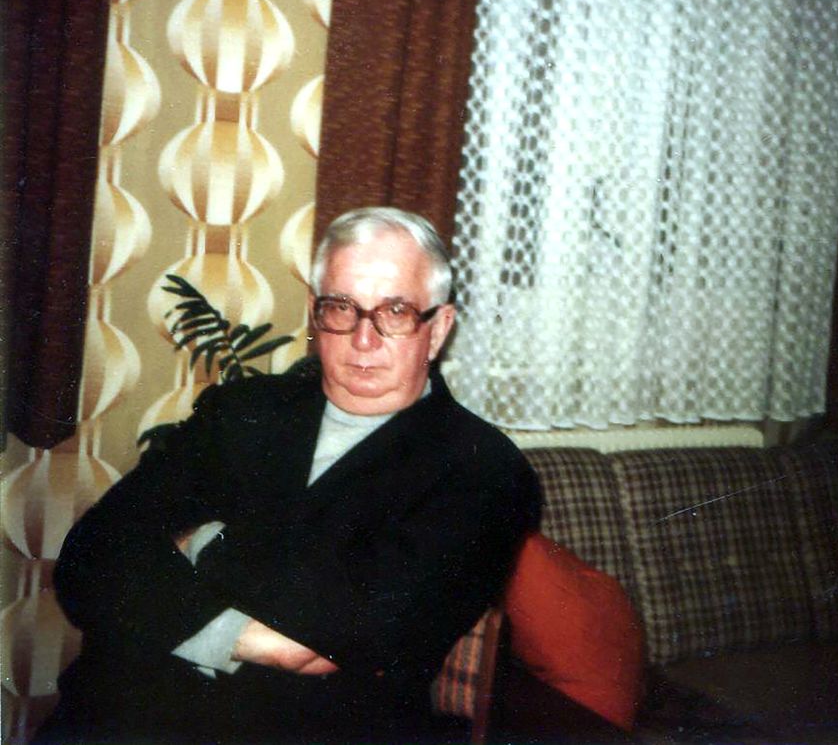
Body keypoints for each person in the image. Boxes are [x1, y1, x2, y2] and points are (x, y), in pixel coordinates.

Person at [35, 207, 541, 745]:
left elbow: (356, 629)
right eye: (341, 307)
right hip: (120, 714)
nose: (363, 339)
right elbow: (88, 559)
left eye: (395, 311)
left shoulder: (484, 469)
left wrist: (202, 543)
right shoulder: (241, 410)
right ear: (315, 314)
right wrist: (251, 636)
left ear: (437, 328)